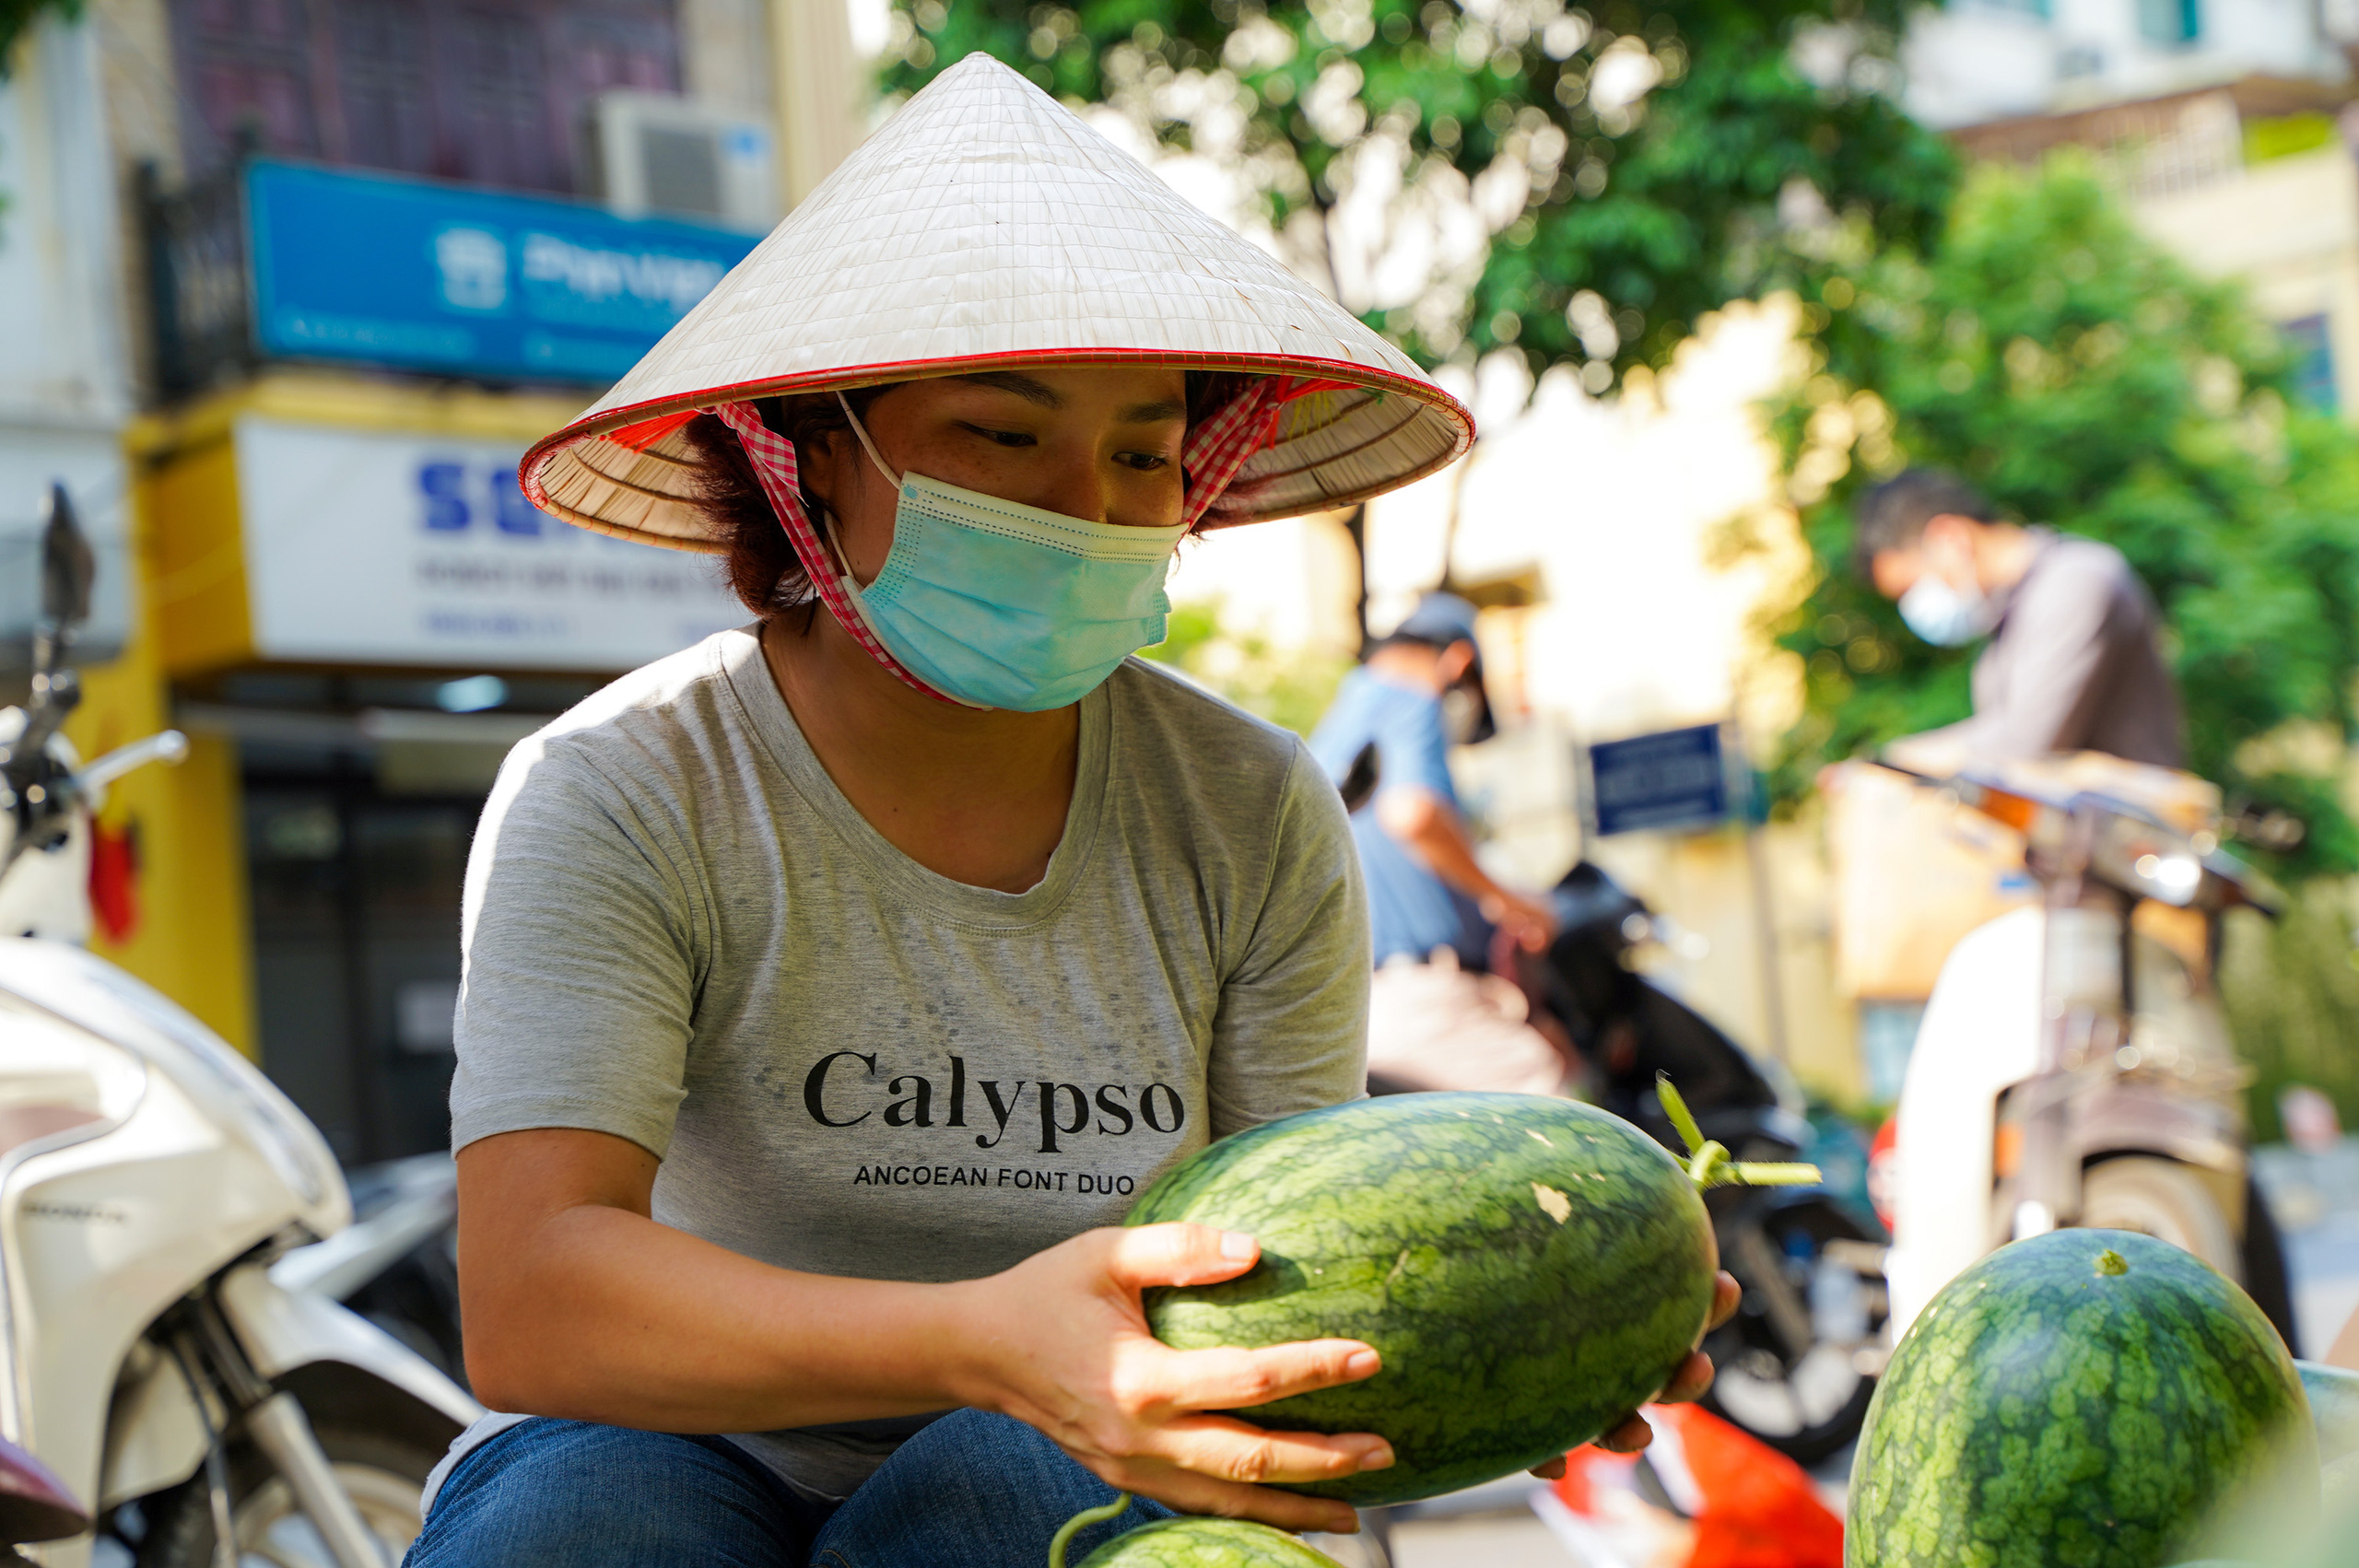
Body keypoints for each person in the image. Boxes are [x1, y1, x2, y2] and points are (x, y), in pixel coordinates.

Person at [407, 55, 1735, 1568]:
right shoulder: (626, 783)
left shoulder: (1249, 808)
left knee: (1023, 1485)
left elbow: (1317, 1263)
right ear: (814, 452)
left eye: (1139, 452)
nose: (1084, 508)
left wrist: (1544, 1320)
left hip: (1084, 1442)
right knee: (583, 1531)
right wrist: (982, 1337)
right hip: (663, 1443)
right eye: (1001, 434)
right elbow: (536, 1296)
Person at [1308, 593, 1567, 1096]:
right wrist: (1508, 899)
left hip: (1355, 1013)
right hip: (1429, 1001)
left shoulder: (1340, 720)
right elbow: (1413, 813)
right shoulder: (1410, 696)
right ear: (1459, 661)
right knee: (1576, 1144)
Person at [1855, 468, 2184, 770]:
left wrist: (1899, 761)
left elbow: (2024, 742)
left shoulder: (2075, 580)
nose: (1916, 608)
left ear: (1949, 537)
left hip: (2137, 830)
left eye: (1912, 588)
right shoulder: (2002, 624)